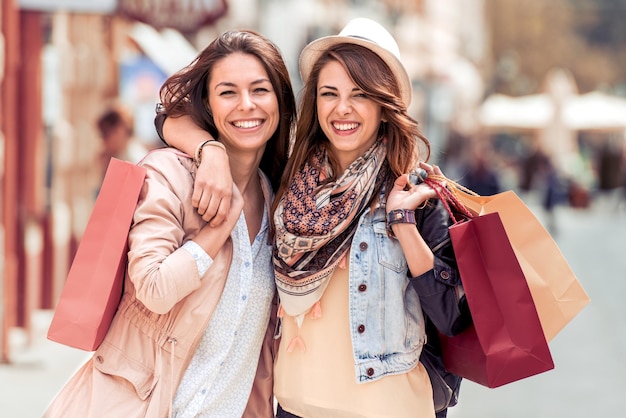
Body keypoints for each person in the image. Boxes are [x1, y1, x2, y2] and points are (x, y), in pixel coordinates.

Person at [160, 18, 467, 418]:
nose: (343, 109)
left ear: (384, 105)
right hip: (296, 408)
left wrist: (403, 225)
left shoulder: (417, 194)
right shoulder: (290, 184)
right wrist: (210, 151)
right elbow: (167, 116)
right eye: (329, 93)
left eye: (360, 94)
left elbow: (453, 317)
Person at [44, 29, 296, 418]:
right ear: (209, 106)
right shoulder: (168, 176)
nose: (246, 105)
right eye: (228, 92)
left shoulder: (279, 201)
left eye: (260, 90)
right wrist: (216, 230)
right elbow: (155, 288)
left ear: (280, 101)